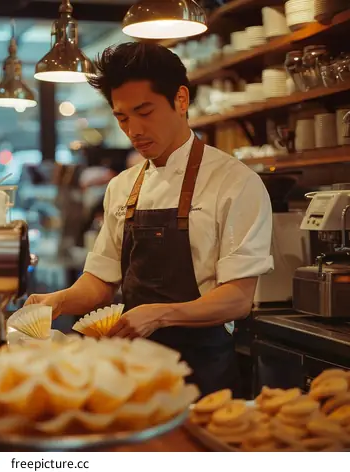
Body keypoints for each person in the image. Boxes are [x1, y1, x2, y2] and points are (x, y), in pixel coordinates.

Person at [25, 42, 274, 397]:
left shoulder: (235, 183)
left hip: (202, 377)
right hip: (131, 373)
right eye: (122, 117)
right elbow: (99, 281)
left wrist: (159, 314)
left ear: (181, 100)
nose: (134, 130)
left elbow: (237, 299)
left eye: (145, 111)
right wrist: (58, 301)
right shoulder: (121, 187)